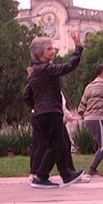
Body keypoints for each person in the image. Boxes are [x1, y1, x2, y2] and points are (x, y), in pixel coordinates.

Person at [23, 33, 85, 189]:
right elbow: (68, 66)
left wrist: (36, 107)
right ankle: (41, 176)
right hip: (51, 111)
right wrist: (78, 48)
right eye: (49, 49)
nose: (53, 51)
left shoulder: (35, 71)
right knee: (56, 144)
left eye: (53, 48)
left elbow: (26, 95)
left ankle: (66, 174)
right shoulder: (46, 68)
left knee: (59, 143)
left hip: (41, 113)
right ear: (40, 53)